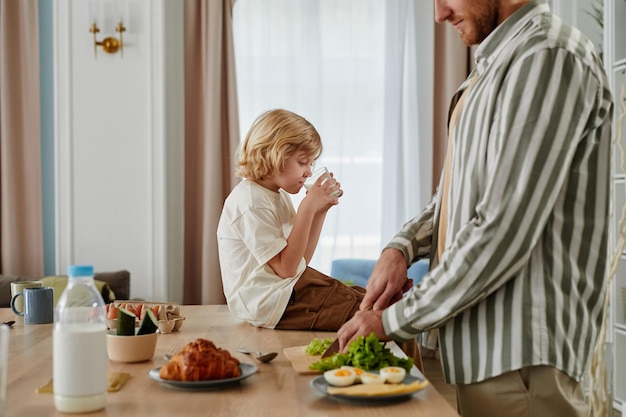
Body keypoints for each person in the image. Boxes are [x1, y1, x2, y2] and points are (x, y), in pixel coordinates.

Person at [336, 1, 613, 416]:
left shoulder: (546, 57)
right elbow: (457, 198)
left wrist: (390, 323)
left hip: (523, 360)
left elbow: (503, 229)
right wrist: (402, 248)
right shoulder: (496, 64)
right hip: (487, 355)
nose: (439, 13)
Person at [217, 108, 366, 331]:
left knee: (373, 301)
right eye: (303, 162)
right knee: (377, 315)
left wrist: (319, 212)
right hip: (268, 302)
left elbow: (299, 262)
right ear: (272, 155)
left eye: (311, 164)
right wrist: (307, 207)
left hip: (285, 291)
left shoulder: (278, 196)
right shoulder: (250, 201)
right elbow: (286, 269)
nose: (308, 172)